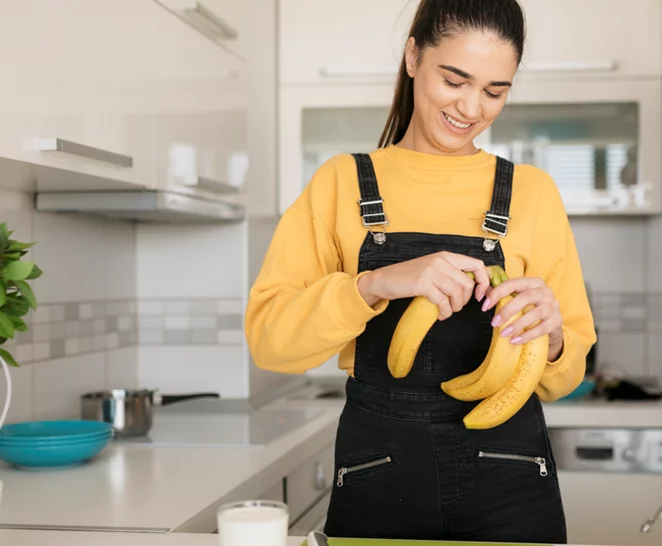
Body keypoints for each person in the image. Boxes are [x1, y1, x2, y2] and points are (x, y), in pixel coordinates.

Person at [244, 0, 596, 542]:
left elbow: (564, 374)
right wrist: (373, 285)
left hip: (511, 475)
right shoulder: (341, 183)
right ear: (413, 57)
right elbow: (269, 340)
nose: (471, 107)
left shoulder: (531, 193)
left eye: (495, 91)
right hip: (379, 474)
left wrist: (550, 338)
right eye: (454, 80)